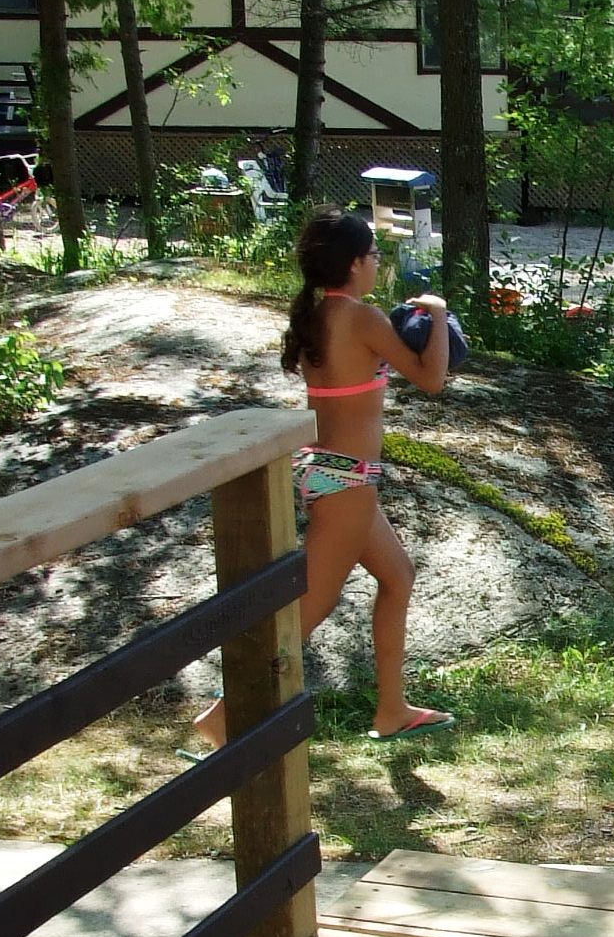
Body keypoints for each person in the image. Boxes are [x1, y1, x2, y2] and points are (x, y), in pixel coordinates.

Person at [193, 206, 454, 746]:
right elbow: (431, 379)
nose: (379, 265)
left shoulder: (318, 314)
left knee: (398, 577)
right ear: (357, 263)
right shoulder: (361, 317)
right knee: (306, 611)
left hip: (334, 472)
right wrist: (438, 313)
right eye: (376, 256)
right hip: (349, 479)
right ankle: (221, 718)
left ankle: (392, 708)